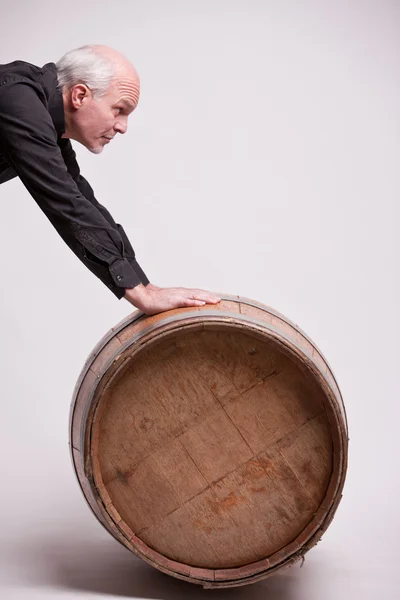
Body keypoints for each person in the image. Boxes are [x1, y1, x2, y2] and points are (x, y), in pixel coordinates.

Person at [0, 45, 220, 314]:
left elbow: (82, 199)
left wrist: (146, 287)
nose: (123, 127)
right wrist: (141, 295)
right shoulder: (16, 99)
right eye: (119, 110)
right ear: (80, 95)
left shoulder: (44, 119)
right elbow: (65, 204)